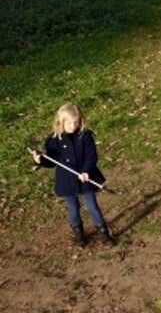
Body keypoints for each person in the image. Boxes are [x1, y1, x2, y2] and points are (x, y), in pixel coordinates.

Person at [29, 103, 115, 247]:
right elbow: (51, 161)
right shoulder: (53, 140)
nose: (73, 126)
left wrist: (86, 170)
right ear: (60, 122)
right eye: (69, 123)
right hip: (67, 180)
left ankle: (104, 234)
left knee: (92, 206)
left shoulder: (85, 136)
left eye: (76, 122)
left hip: (86, 177)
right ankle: (79, 235)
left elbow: (91, 156)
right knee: (73, 208)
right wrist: (40, 160)